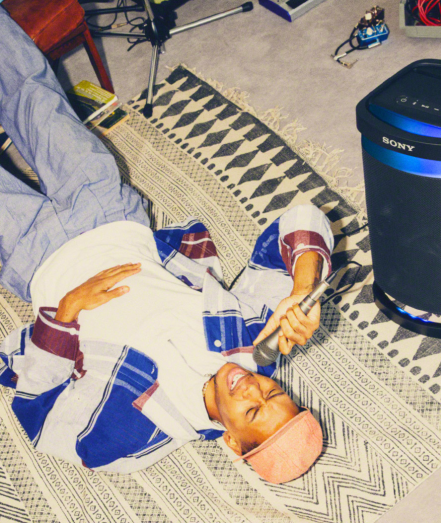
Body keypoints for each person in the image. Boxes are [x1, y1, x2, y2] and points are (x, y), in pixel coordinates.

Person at [0, 7, 333, 484]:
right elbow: (301, 219)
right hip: (108, 213)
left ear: (233, 443)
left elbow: (39, 411)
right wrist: (303, 287)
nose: (253, 388)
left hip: (34, 257)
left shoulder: (132, 436)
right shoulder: (257, 345)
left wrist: (66, 313)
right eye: (274, 393)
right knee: (33, 93)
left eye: (252, 411)